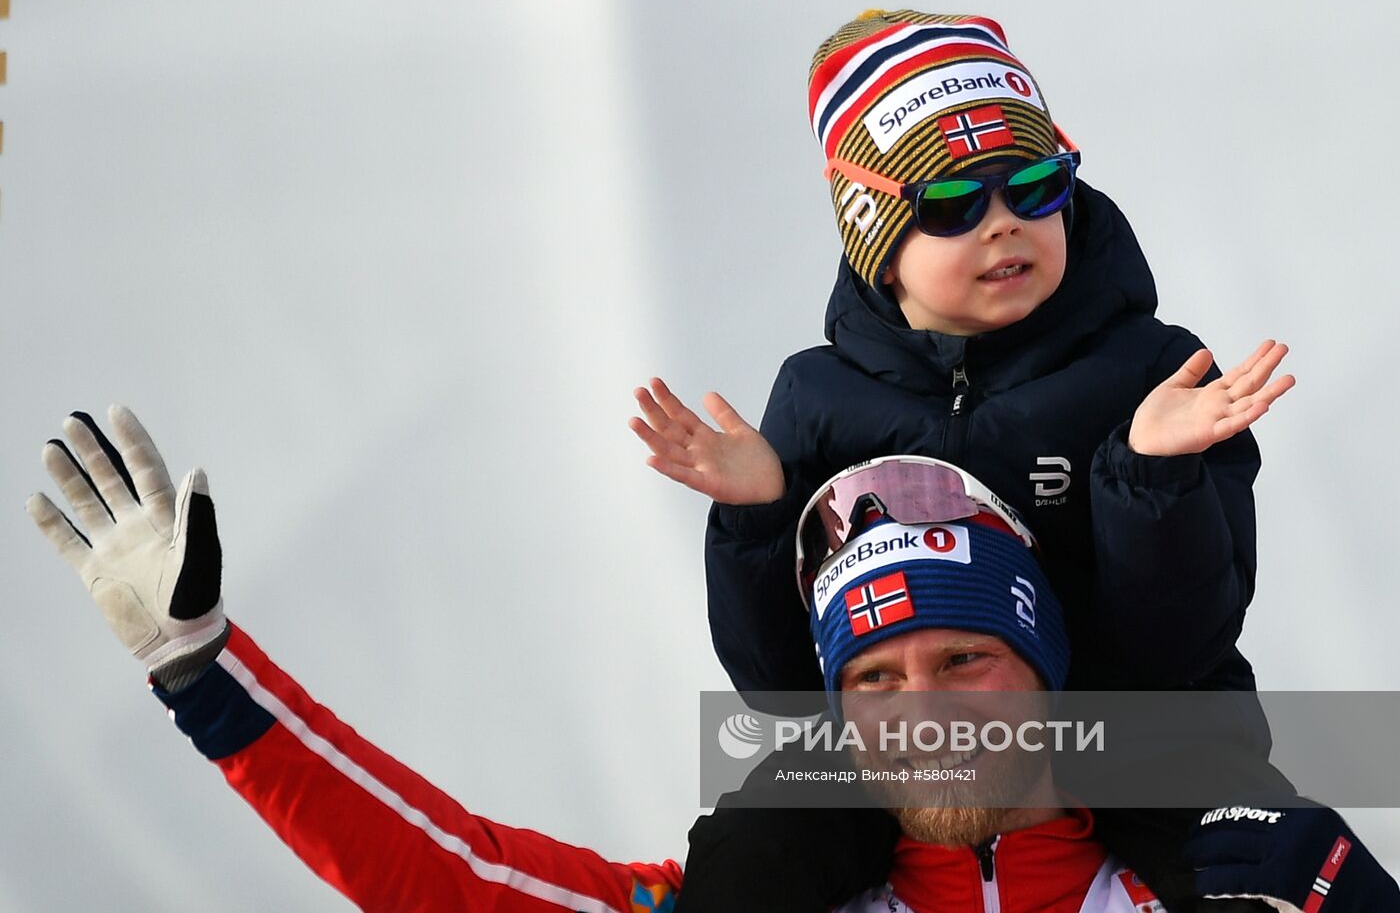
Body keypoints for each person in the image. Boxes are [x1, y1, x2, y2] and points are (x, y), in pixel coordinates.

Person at [28, 411, 1396, 912]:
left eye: (965, 657)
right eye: (874, 677)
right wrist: (203, 670)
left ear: (1044, 671)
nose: (920, 708)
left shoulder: (1234, 887)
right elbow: (451, 874)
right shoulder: (764, 902)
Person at [627, 9, 1295, 908]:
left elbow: (1182, 642)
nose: (1002, 225)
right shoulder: (819, 399)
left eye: (1035, 187)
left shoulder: (1154, 374)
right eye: (952, 205)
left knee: (1273, 865)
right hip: (907, 741)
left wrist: (1149, 476)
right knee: (747, 862)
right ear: (878, 244)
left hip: (1142, 730)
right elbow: (785, 690)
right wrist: (757, 517)